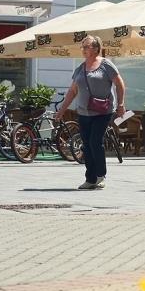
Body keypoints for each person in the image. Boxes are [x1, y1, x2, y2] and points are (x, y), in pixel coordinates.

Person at [55, 35, 125, 190]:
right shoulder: (80, 68)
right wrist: (62, 109)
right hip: (84, 113)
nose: (83, 49)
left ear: (96, 49)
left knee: (94, 142)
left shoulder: (106, 65)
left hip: (103, 111)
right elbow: (73, 91)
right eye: (82, 47)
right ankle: (90, 179)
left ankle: (101, 176)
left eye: (87, 47)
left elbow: (120, 84)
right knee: (86, 146)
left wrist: (121, 104)